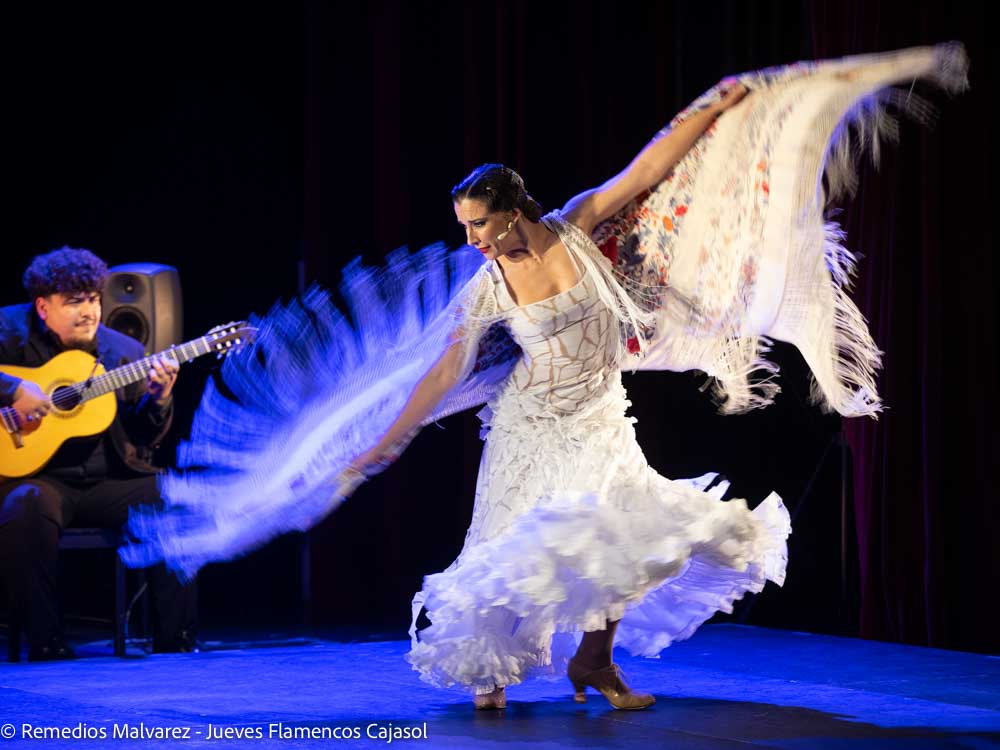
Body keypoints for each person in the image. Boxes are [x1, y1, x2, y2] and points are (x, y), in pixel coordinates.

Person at [121, 44, 966, 709]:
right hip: (531, 424)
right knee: (506, 551)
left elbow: (646, 168)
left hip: (601, 412)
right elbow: (445, 368)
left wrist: (718, 103)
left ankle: (595, 663)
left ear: (516, 208)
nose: (475, 241)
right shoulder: (487, 282)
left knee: (628, 539)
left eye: (482, 224)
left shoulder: (575, 225)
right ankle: (486, 673)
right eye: (465, 228)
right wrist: (388, 438)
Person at [0, 247, 197, 660]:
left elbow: (145, 434)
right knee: (26, 507)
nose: (89, 311)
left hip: (109, 480)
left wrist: (159, 399)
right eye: (74, 302)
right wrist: (14, 389)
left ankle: (175, 641)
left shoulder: (122, 350)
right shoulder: (8, 329)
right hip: (35, 479)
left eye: (93, 299)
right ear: (42, 306)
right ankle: (47, 642)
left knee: (172, 498)